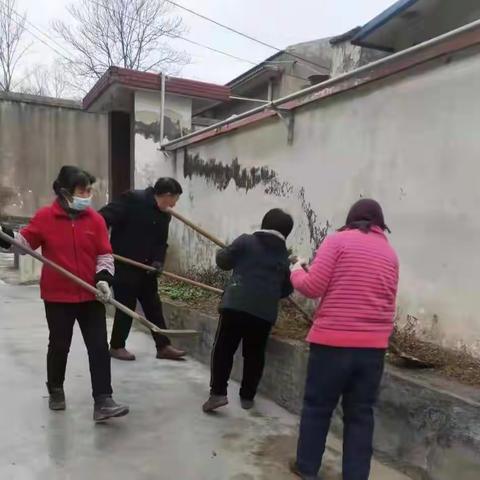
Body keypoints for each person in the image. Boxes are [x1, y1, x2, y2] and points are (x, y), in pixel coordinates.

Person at [0, 166, 129, 422]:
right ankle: (56, 389)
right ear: (65, 192)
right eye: (83, 190)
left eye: (90, 190)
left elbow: (104, 253)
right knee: (60, 345)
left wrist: (104, 280)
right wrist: (5, 234)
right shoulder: (45, 217)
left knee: (98, 348)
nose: (88, 195)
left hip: (91, 294)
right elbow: (24, 244)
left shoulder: (95, 219)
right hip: (58, 296)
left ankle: (103, 400)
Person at [288, 199, 399, 480]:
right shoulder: (390, 254)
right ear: (379, 224)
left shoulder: (338, 242)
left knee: (318, 407)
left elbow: (312, 287)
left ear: (351, 220)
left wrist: (297, 270)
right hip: (373, 350)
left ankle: (307, 467)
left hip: (332, 345)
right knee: (361, 415)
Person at [202, 208, 294, 413]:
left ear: (263, 224)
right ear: (286, 233)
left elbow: (223, 262)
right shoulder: (283, 258)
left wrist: (221, 252)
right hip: (263, 314)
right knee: (255, 354)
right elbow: (287, 288)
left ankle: (218, 393)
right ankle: (247, 396)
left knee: (224, 349)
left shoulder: (245, 241)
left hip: (235, 305)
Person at [99, 178, 186, 361]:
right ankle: (116, 346)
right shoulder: (132, 200)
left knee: (154, 305)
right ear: (166, 196)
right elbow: (102, 218)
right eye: (174, 200)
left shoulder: (165, 214)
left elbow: (161, 243)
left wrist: (157, 262)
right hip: (124, 265)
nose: (174, 205)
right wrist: (102, 246)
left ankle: (163, 346)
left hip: (146, 268)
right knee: (126, 306)